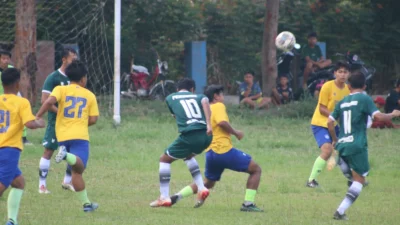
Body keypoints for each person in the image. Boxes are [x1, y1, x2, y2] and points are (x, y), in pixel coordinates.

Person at [169, 85, 263, 212]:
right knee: (256, 170)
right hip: (223, 150)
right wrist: (236, 132)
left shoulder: (205, 109)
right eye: (222, 94)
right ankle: (248, 204)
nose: (223, 97)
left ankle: (177, 196)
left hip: (211, 152)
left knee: (208, 183)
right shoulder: (218, 106)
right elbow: (221, 122)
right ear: (216, 96)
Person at [327, 71, 400, 220]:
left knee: (354, 175)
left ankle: (342, 163)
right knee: (360, 180)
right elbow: (378, 116)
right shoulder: (364, 98)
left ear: (348, 86)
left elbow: (329, 122)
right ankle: (340, 212)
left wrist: (334, 139)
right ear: (365, 86)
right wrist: (392, 114)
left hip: (342, 144)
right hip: (357, 144)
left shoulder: (342, 101)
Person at [36, 60, 99, 212]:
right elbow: (93, 119)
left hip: (62, 136)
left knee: (75, 172)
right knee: (80, 168)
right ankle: (66, 155)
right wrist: (82, 123)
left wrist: (38, 116)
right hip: (80, 136)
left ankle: (86, 205)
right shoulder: (89, 95)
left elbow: (49, 101)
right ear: (83, 78)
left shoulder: (60, 89)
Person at [149, 78, 213, 207]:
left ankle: (164, 197)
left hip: (190, 135)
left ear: (177, 89)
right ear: (192, 90)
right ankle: (201, 188)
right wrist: (209, 123)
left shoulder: (170, 97)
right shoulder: (199, 96)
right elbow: (205, 101)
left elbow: (175, 115)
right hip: (206, 136)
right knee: (188, 156)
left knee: (164, 159)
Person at [0, 68, 45, 225]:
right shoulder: (21, 102)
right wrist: (40, 122)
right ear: (17, 84)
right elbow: (29, 124)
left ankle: (12, 220)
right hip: (9, 149)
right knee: (1, 186)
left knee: (19, 182)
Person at [38, 47, 77, 194]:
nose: (75, 60)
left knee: (74, 151)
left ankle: (67, 181)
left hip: (72, 123)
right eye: (72, 57)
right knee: (49, 151)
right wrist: (62, 112)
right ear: (64, 59)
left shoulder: (75, 79)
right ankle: (42, 185)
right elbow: (45, 100)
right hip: (56, 122)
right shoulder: (53, 78)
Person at [306, 61, 350, 188]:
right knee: (327, 149)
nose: (342, 75)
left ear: (348, 74)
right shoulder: (327, 86)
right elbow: (322, 109)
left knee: (347, 150)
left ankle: (353, 179)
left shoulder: (347, 90)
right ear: (335, 73)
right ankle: (311, 181)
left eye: (345, 72)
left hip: (334, 124)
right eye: (340, 72)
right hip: (320, 123)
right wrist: (335, 117)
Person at [0, 49, 32, 145]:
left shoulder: (11, 69)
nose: (5, 60)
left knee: (21, 110)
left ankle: (24, 137)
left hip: (12, 94)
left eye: (7, 58)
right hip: (2, 96)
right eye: (3, 58)